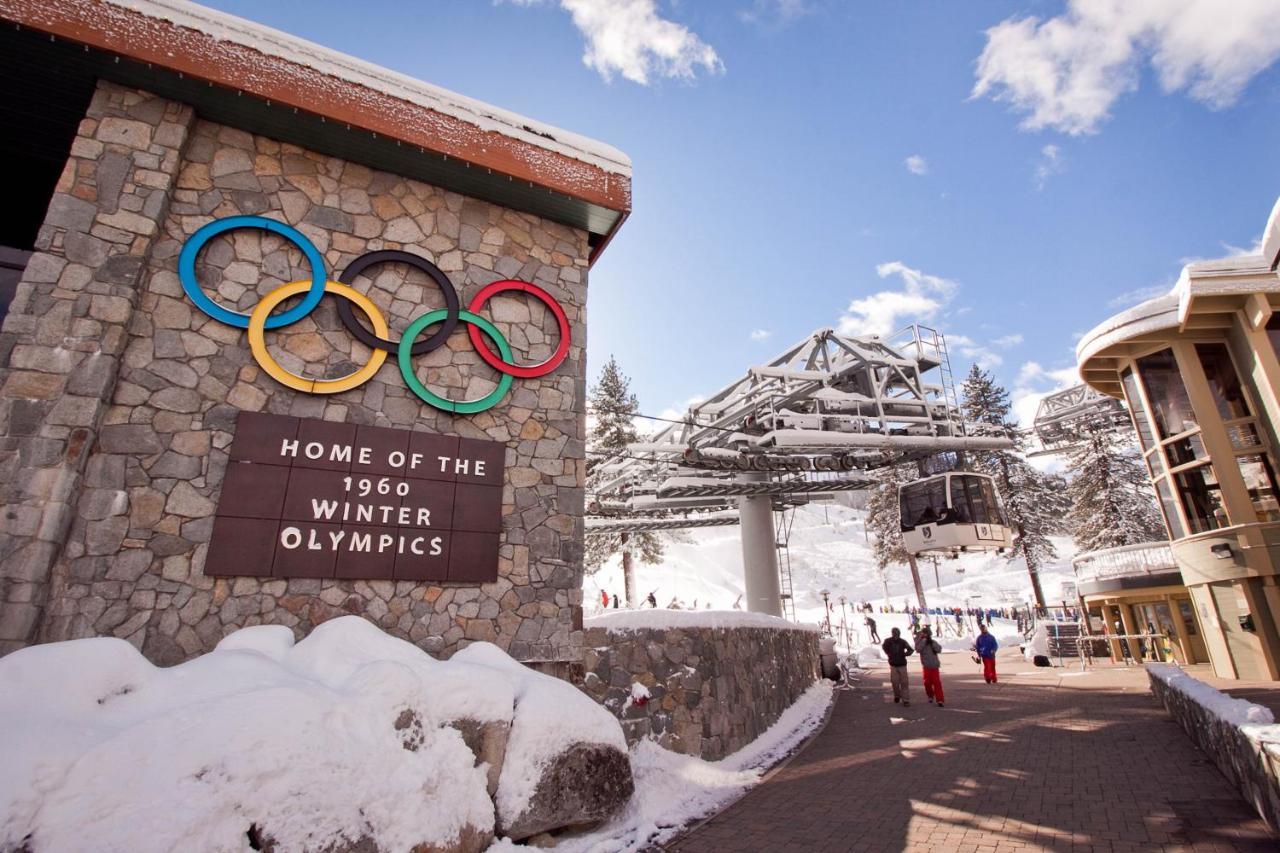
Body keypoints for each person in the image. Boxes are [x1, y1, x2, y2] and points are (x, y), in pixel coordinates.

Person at [882, 627, 914, 706]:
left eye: (897, 633)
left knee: (904, 683)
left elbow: (910, 649)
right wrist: (889, 654)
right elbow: (884, 647)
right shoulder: (888, 641)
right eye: (895, 633)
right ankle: (897, 695)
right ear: (892, 634)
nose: (896, 635)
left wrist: (905, 654)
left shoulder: (902, 642)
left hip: (902, 664)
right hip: (893, 664)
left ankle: (905, 699)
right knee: (894, 682)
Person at [914, 626, 945, 707]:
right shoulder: (921, 642)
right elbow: (917, 649)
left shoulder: (933, 642)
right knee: (927, 683)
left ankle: (940, 699)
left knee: (937, 683)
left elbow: (939, 649)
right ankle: (930, 695)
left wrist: (932, 644)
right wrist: (922, 640)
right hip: (926, 666)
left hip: (935, 666)